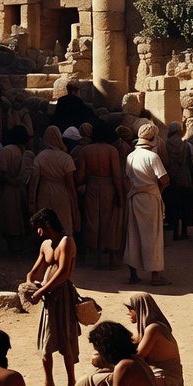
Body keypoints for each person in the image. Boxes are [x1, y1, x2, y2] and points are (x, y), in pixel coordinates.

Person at [26, 208, 80, 386]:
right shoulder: (45, 245)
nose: (38, 233)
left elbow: (63, 273)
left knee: (65, 339)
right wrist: (28, 285)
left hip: (62, 295)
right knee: (46, 341)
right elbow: (34, 271)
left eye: (39, 228)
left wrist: (40, 291)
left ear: (47, 225)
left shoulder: (67, 242)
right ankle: (49, 381)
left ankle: (71, 382)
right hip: (48, 297)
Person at [74, 119, 125, 269]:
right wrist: (120, 194)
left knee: (92, 221)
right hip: (109, 186)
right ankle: (111, 258)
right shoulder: (111, 150)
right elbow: (116, 175)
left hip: (92, 186)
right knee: (109, 222)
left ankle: (93, 257)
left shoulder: (85, 151)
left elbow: (80, 177)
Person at [124, 122, 169, 286]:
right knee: (153, 237)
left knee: (133, 235)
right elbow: (165, 179)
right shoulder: (153, 157)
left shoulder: (131, 156)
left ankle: (133, 275)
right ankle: (155, 276)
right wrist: (158, 189)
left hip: (135, 198)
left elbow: (127, 180)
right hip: (150, 198)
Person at [125, 292, 184, 386]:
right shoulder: (148, 329)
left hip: (169, 381)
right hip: (163, 379)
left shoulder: (154, 329)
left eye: (131, 309)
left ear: (139, 310)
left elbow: (138, 356)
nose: (129, 313)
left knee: (123, 384)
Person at [28, 125, 79, 237]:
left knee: (46, 223)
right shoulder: (66, 158)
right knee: (63, 223)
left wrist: (32, 202)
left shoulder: (40, 157)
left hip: (44, 192)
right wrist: (75, 207)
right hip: (61, 194)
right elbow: (71, 185)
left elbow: (33, 183)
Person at [0, 124, 34, 253]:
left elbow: (1, 170)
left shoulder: (7, 150)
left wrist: (9, 180)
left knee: (9, 219)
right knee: (20, 216)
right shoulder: (27, 153)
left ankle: (11, 248)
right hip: (22, 189)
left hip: (9, 190)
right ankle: (20, 247)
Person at [162, 121, 193, 241]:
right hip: (184, 177)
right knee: (185, 205)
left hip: (170, 178)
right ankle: (184, 232)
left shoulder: (165, 144)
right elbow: (191, 163)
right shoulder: (185, 145)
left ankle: (175, 232)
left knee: (173, 206)